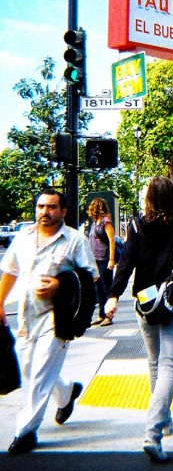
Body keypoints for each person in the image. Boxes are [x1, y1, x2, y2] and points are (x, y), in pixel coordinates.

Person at [105, 176, 173, 462]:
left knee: (153, 361)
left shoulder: (136, 226)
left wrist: (112, 297)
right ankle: (154, 432)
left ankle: (164, 419)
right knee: (169, 365)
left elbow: (125, 266)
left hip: (145, 303)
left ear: (148, 199)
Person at [0, 189, 98, 455]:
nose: (45, 211)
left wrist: (59, 284)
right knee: (30, 368)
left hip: (57, 317)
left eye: (52, 207)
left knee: (41, 373)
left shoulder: (75, 240)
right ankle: (66, 393)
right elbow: (10, 270)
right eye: (41, 206)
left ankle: (26, 431)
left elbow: (90, 278)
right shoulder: (23, 237)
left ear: (63, 212)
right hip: (26, 317)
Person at [87, 197, 117, 326]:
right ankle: (101, 314)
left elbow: (112, 240)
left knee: (106, 287)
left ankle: (108, 316)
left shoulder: (106, 221)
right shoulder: (95, 223)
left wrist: (111, 259)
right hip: (95, 259)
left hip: (104, 258)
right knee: (99, 288)